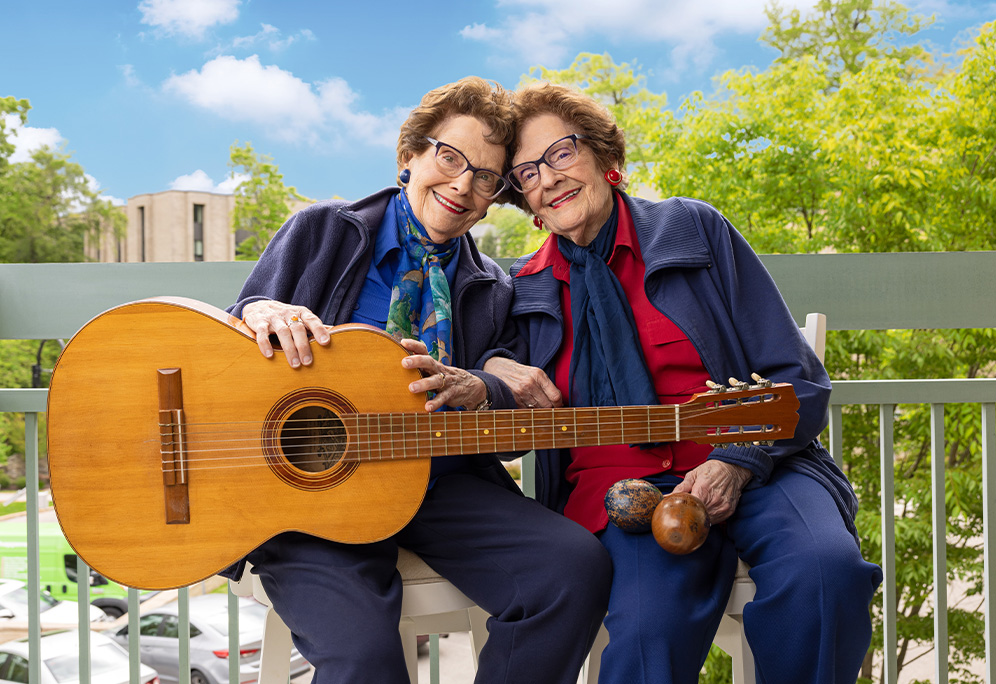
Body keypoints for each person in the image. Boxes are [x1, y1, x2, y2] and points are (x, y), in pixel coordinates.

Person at [484, 82, 883, 684]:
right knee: (648, 632)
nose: (548, 177)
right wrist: (493, 366)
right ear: (526, 201)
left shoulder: (692, 229)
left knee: (826, 573)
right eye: (526, 171)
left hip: (757, 459)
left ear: (603, 157)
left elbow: (795, 376)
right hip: (618, 489)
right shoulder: (524, 286)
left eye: (561, 153)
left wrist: (737, 461)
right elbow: (497, 404)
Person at [224, 77, 612, 684]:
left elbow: (510, 431)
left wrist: (490, 385)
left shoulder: (496, 289)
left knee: (573, 568)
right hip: (312, 492)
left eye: (485, 176)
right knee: (365, 659)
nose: (461, 185)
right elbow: (229, 343)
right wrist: (256, 312)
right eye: (448, 158)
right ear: (410, 156)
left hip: (439, 483)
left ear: (493, 198)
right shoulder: (323, 231)